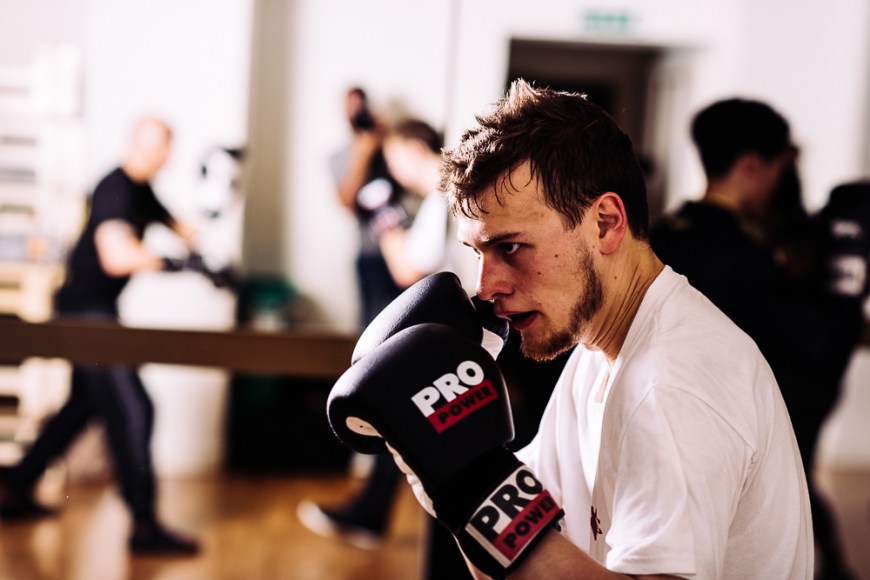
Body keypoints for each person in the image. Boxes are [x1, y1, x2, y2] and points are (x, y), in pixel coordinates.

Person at [327, 80, 813, 578]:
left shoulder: (673, 384)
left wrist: (471, 483)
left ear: (605, 222)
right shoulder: (596, 351)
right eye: (478, 252)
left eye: (510, 247)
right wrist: (443, 471)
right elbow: (514, 560)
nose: (486, 286)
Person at [650, 98, 856, 580]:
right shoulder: (745, 260)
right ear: (751, 165)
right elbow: (817, 353)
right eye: (780, 167)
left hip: (664, 444)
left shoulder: (659, 237)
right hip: (730, 456)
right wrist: (847, 287)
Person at [0, 117, 206, 555]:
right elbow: (116, 257)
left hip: (91, 313)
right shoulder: (116, 188)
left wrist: (212, 214)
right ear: (136, 144)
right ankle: (143, 524)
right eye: (156, 146)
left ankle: (14, 487)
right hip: (86, 317)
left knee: (83, 406)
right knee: (134, 409)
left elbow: (186, 229)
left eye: (166, 147)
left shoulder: (142, 191)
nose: (162, 155)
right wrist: (175, 264)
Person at [300, 117, 465, 549]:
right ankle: (372, 514)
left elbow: (407, 269)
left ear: (413, 150)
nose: (391, 170)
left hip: (452, 334)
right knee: (407, 424)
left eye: (392, 158)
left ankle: (379, 517)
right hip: (449, 332)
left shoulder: (443, 197)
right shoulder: (441, 198)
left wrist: (385, 218)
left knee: (411, 424)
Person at [329, 87, 407, 327]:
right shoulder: (340, 156)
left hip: (406, 245)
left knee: (408, 318)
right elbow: (347, 202)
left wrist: (386, 137)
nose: (357, 112)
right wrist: (363, 152)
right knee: (372, 322)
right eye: (350, 107)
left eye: (360, 106)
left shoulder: (391, 145)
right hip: (370, 251)